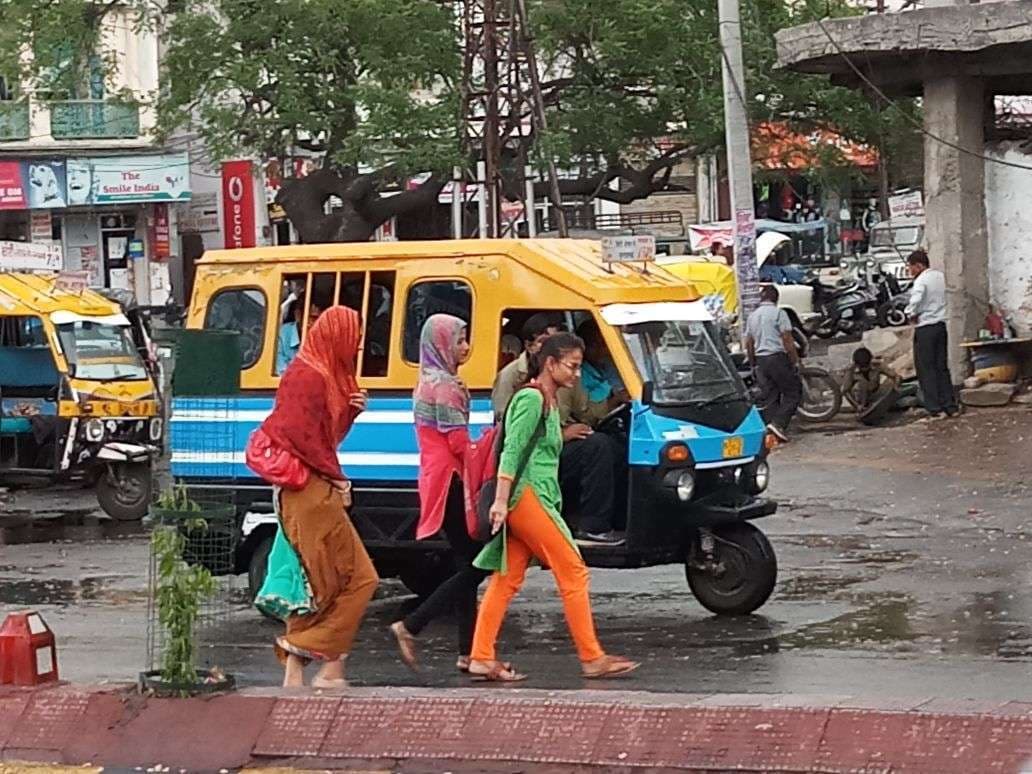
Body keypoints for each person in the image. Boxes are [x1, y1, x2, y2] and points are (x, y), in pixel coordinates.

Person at [469, 333, 640, 682]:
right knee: (573, 570)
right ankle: (592, 657)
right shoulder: (532, 399)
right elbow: (513, 451)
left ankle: (481, 656)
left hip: (534, 496)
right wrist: (501, 501)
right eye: (572, 366)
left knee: (507, 578)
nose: (577, 373)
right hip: (527, 496)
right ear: (550, 363)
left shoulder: (545, 398)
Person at [258, 306, 378, 688]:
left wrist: (349, 414)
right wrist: (337, 478)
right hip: (309, 491)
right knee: (358, 580)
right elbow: (303, 439)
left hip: (307, 490)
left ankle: (300, 671)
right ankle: (313, 656)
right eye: (352, 336)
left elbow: (325, 437)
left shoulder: (318, 372)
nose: (357, 345)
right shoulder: (308, 376)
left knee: (315, 582)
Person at [390, 314, 489, 673]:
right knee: (480, 563)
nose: (466, 347)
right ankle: (412, 624)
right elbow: (459, 442)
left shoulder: (426, 382)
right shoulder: (445, 386)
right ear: (442, 344)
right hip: (451, 481)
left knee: (467, 564)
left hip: (437, 478)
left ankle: (468, 652)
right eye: (460, 340)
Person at [492, 314, 626, 546]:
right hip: (533, 465)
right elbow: (511, 440)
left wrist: (614, 403)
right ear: (531, 346)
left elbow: (587, 411)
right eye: (545, 342)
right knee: (598, 447)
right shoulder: (522, 387)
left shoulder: (566, 378)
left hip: (554, 459)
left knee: (613, 445)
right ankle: (592, 526)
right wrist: (502, 499)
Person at [904, 249, 958, 418]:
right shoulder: (940, 276)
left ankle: (935, 408)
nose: (909, 271)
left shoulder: (921, 281)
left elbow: (916, 301)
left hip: (925, 328)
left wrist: (910, 313)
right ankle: (950, 406)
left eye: (910, 267)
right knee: (941, 367)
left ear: (918, 266)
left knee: (927, 369)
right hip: (940, 326)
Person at [744, 285, 802, 442]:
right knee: (793, 392)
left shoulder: (752, 316)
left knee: (771, 397)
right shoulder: (779, 313)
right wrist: (795, 361)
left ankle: (771, 433)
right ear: (776, 299)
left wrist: (752, 363)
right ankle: (779, 423)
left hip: (761, 360)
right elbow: (787, 339)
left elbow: (749, 343)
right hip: (777, 358)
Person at [843, 347, 900, 423]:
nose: (865, 369)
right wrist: (857, 405)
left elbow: (896, 376)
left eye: (867, 365)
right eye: (862, 367)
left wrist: (895, 386)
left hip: (875, 393)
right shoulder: (850, 370)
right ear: (856, 364)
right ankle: (862, 410)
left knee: (889, 382)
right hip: (860, 399)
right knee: (861, 384)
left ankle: (880, 406)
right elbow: (846, 391)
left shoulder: (878, 365)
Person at [277, 293, 325, 375]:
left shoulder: (326, 339)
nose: (318, 324)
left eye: (322, 320)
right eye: (313, 318)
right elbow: (280, 374)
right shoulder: (281, 335)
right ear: (298, 315)